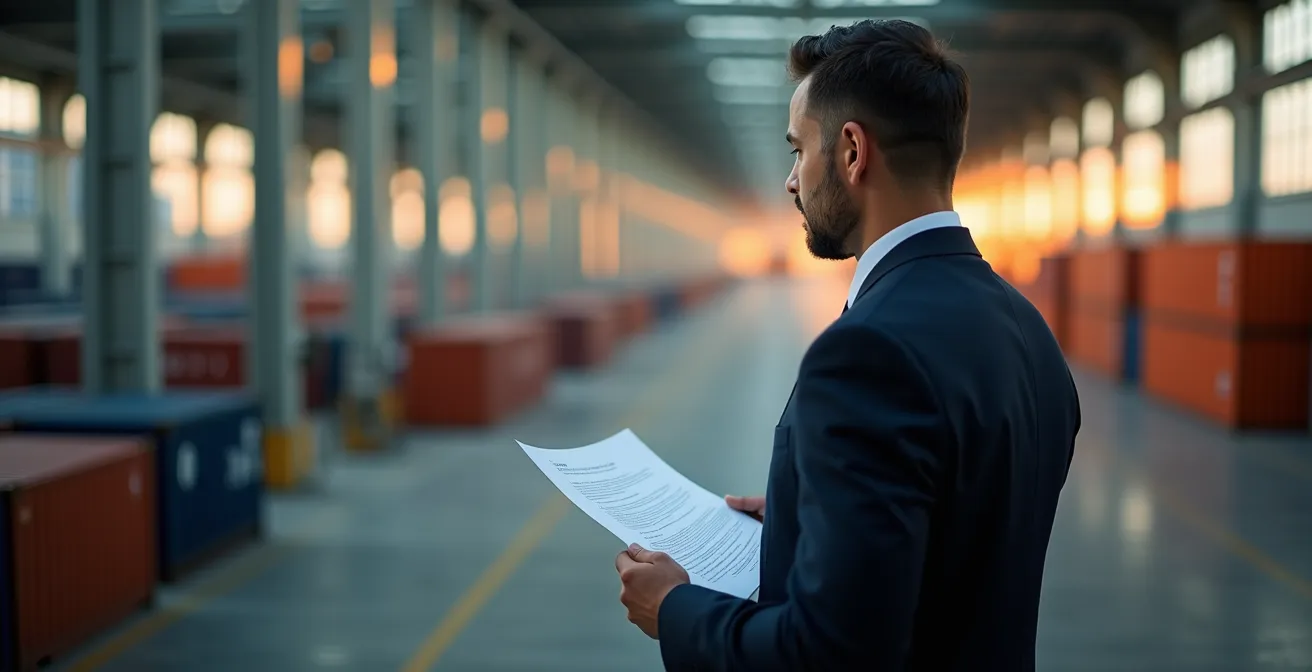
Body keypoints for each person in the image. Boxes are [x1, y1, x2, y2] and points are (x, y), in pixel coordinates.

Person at [612, 18, 1081, 671]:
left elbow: (828, 654)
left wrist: (675, 611)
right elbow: (958, 533)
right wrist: (809, 516)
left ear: (853, 151)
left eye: (798, 149)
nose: (791, 181)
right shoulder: (1027, 330)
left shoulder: (868, 351)